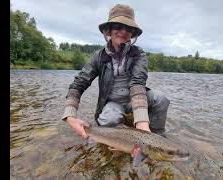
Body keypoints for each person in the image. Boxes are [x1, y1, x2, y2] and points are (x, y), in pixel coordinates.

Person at [62, 4, 170, 140]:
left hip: (134, 99)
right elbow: (79, 83)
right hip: (113, 103)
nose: (123, 31)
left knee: (161, 99)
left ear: (132, 33)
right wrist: (70, 116)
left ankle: (158, 136)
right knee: (108, 120)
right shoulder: (99, 57)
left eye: (128, 28)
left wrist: (142, 124)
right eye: (118, 26)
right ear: (109, 31)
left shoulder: (138, 53)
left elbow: (138, 83)